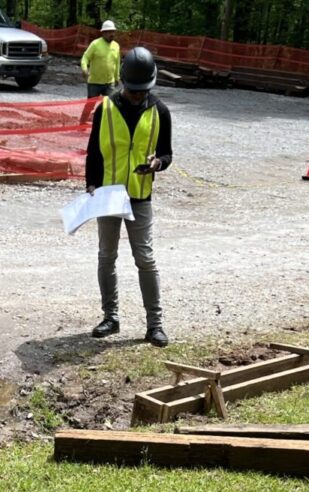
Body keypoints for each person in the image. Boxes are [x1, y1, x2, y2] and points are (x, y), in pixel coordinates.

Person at [85, 46, 172, 348]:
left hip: (139, 195)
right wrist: (91, 184)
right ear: (123, 82)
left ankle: (155, 325)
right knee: (106, 257)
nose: (136, 96)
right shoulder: (105, 108)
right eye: (132, 91)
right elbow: (94, 150)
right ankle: (111, 318)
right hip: (109, 194)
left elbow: (167, 153)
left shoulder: (160, 111)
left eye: (141, 91)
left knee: (145, 259)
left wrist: (158, 163)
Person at [79, 20, 120, 99]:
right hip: (94, 82)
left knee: (109, 106)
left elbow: (117, 63)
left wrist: (117, 77)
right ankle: (88, 112)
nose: (112, 34)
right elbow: (85, 57)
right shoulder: (95, 44)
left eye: (113, 32)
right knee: (90, 106)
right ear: (104, 32)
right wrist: (84, 69)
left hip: (109, 83)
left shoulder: (116, 46)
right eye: (109, 32)